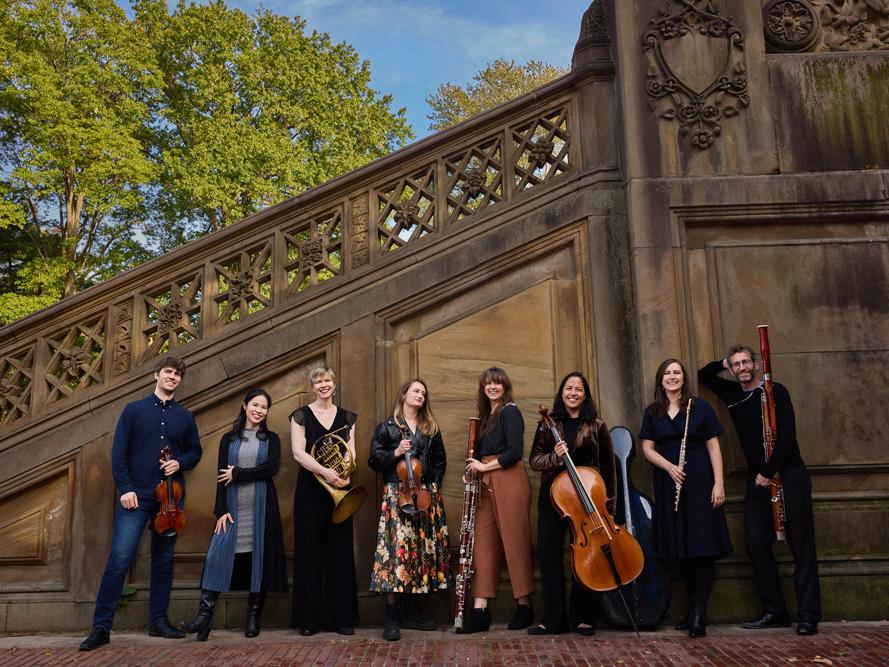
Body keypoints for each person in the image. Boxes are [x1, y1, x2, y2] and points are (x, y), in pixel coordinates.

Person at [79, 356, 202, 651]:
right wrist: (125, 488)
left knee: (162, 562)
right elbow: (119, 452)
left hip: (169, 499)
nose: (173, 377)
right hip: (136, 496)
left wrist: (179, 462)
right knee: (120, 559)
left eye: (177, 375)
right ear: (156, 375)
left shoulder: (185, 417)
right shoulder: (133, 410)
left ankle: (159, 622)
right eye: (168, 372)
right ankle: (101, 627)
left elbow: (195, 452)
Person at [699, 344, 821, 636]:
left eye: (746, 363)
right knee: (755, 542)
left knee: (801, 544)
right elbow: (705, 374)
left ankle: (808, 615)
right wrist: (723, 362)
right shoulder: (731, 394)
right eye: (736, 365)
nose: (741, 368)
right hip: (758, 480)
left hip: (789, 473)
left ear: (755, 364)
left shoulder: (775, 391)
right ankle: (775, 611)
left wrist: (769, 472)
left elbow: (788, 435)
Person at [182, 388, 287, 641]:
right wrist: (221, 511)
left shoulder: (271, 439)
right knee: (217, 557)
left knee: (257, 560)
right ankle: (204, 618)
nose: (259, 410)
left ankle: (253, 618)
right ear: (245, 406)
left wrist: (238, 473)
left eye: (264, 407)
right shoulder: (228, 440)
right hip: (232, 508)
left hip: (261, 508)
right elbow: (221, 479)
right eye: (255, 405)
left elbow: (270, 469)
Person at [639, 358, 731, 638]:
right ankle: (691, 607)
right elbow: (647, 447)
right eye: (667, 372)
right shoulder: (653, 411)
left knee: (701, 544)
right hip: (670, 482)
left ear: (684, 377)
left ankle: (699, 611)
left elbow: (713, 446)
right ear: (660, 379)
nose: (672, 376)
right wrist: (668, 467)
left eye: (677, 372)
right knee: (681, 546)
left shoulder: (699, 407)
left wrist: (719, 484)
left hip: (700, 479)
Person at [527, 372, 616, 636]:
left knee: (586, 555)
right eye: (569, 388)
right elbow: (534, 461)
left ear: (585, 394)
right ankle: (553, 620)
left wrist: (609, 508)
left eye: (578, 389)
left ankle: (584, 617)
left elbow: (609, 470)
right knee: (549, 556)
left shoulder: (597, 426)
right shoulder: (548, 424)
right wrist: (555, 457)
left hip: (588, 503)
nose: (573, 393)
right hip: (553, 501)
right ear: (562, 393)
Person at [368, 378, 450, 640]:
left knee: (418, 554)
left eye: (424, 393)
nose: (420, 396)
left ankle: (413, 611)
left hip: (424, 497)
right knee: (396, 555)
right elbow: (374, 460)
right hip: (397, 495)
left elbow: (439, 460)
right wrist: (394, 453)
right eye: (416, 391)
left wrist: (431, 488)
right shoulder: (388, 428)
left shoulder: (430, 428)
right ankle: (392, 615)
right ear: (403, 394)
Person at [457, 367, 534, 634]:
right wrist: (473, 471)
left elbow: (514, 452)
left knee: (515, 542)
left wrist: (483, 467)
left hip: (508, 479)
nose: (492, 387)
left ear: (505, 386)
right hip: (485, 481)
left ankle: (524, 605)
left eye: (497, 383)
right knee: (483, 543)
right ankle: (480, 611)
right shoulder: (486, 417)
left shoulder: (510, 411)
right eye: (488, 383)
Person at [289, 367, 359, 635]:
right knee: (310, 550)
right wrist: (325, 471)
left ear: (334, 383)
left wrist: (345, 474)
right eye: (318, 381)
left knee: (340, 551)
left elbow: (351, 452)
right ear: (312, 386)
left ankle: (342, 619)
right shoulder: (300, 415)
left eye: (327, 380)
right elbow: (298, 453)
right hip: (311, 488)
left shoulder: (347, 417)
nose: (324, 385)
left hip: (339, 487)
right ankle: (309, 620)